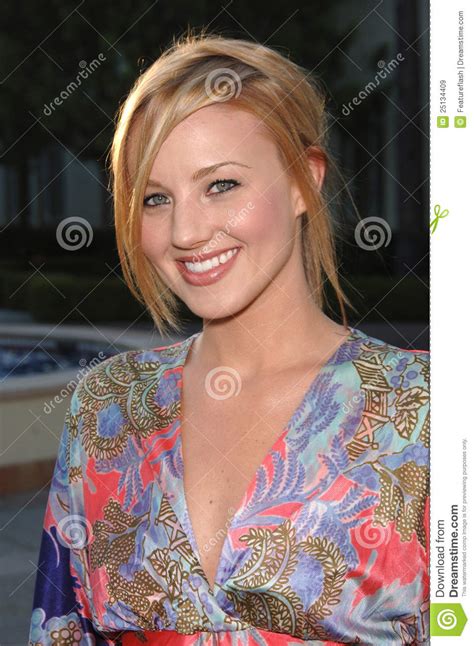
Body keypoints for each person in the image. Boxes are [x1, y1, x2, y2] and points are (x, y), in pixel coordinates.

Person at [28, 31, 430, 645]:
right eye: (156, 198)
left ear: (304, 180)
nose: (185, 231)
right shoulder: (105, 408)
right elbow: (59, 628)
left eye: (221, 185)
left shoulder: (426, 411)